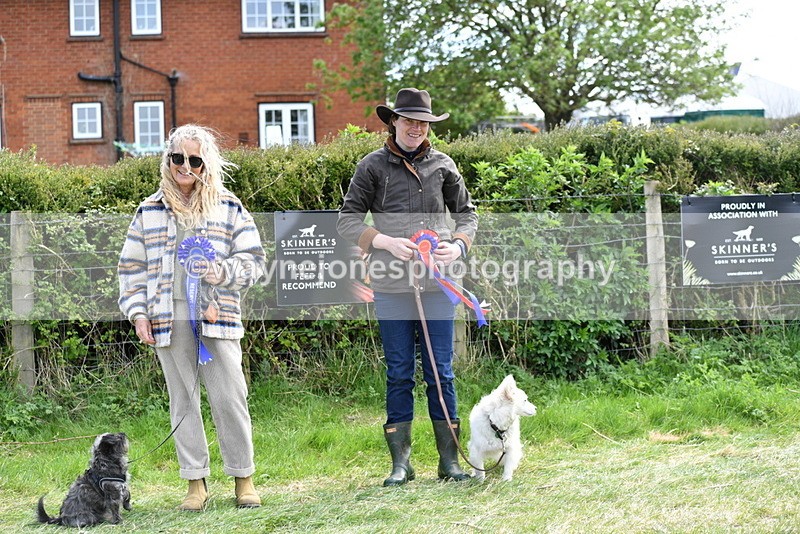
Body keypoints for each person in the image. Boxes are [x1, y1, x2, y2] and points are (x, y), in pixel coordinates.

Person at [118, 124, 266, 510]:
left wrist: (223, 273)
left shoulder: (229, 206)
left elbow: (254, 260)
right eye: (177, 158)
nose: (185, 166)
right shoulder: (148, 210)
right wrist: (138, 314)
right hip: (168, 320)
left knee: (230, 397)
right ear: (167, 160)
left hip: (218, 317)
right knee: (182, 401)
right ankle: (195, 484)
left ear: (206, 164)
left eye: (194, 159)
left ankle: (243, 478)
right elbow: (131, 269)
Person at [337, 88, 478, 486]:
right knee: (399, 372)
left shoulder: (444, 165)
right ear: (393, 122)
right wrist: (381, 241)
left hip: (438, 285)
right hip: (390, 286)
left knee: (441, 372)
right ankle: (401, 464)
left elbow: (467, 215)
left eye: (423, 122)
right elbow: (346, 220)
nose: (416, 127)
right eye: (409, 120)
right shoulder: (371, 167)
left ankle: (449, 462)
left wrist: (458, 244)